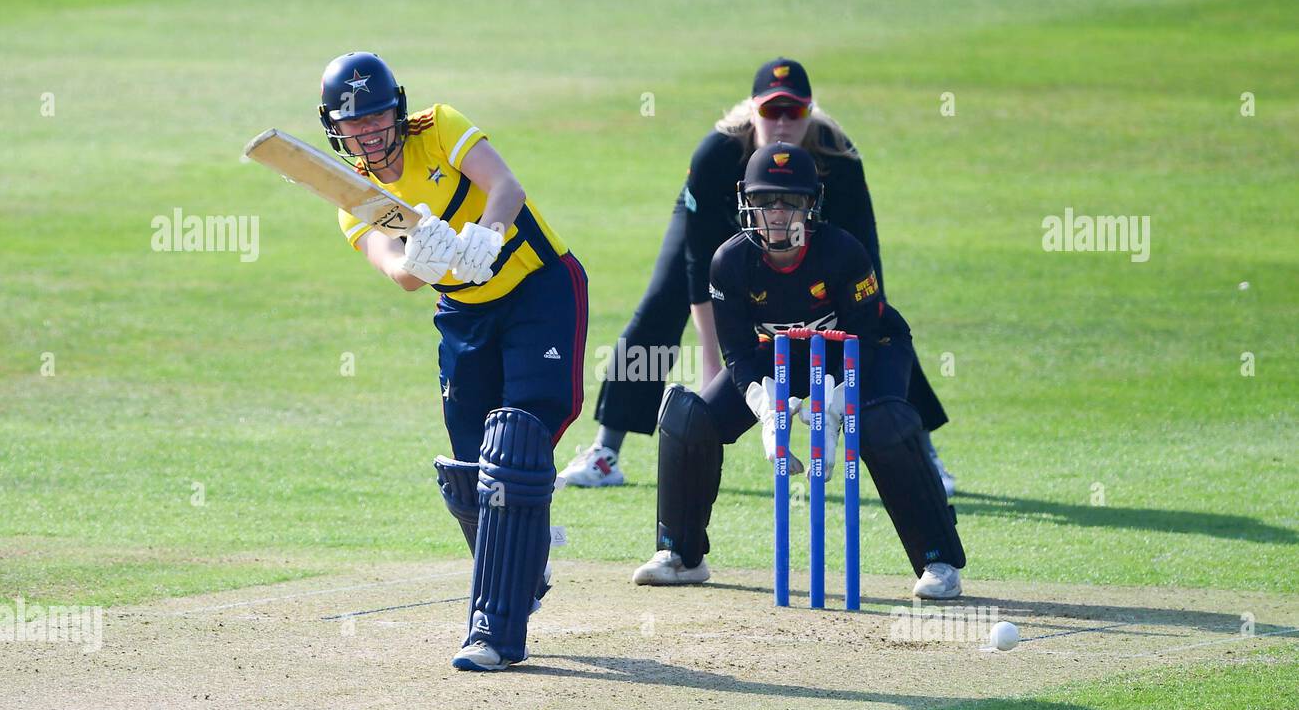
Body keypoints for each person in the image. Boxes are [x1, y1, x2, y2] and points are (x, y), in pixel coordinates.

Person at [561, 58, 954, 495]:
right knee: (659, 305)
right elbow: (697, 267)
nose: (782, 123)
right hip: (725, 221)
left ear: (810, 112)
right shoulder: (716, 154)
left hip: (810, 220)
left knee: (878, 319)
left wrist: (860, 325)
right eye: (771, 112)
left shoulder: (838, 157)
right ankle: (604, 452)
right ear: (753, 110)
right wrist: (714, 359)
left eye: (794, 112)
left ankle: (924, 454)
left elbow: (867, 260)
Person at [319, 51, 589, 671]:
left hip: (537, 288)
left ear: (399, 111)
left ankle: (494, 629)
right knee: (472, 468)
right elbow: (399, 275)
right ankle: (528, 560)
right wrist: (425, 250)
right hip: (464, 316)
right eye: (354, 124)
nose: (369, 132)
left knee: (518, 441)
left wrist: (483, 238)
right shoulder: (353, 198)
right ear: (336, 128)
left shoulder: (437, 126)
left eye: (378, 117)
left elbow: (507, 188)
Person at [633, 142, 966, 599]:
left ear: (813, 205)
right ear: (747, 202)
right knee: (689, 418)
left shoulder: (842, 254)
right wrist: (768, 410)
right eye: (766, 200)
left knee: (884, 424)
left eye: (791, 202)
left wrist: (833, 409)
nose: (779, 213)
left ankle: (939, 561)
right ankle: (680, 555)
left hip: (865, 349)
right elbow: (738, 356)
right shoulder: (730, 262)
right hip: (779, 355)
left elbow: (866, 337)